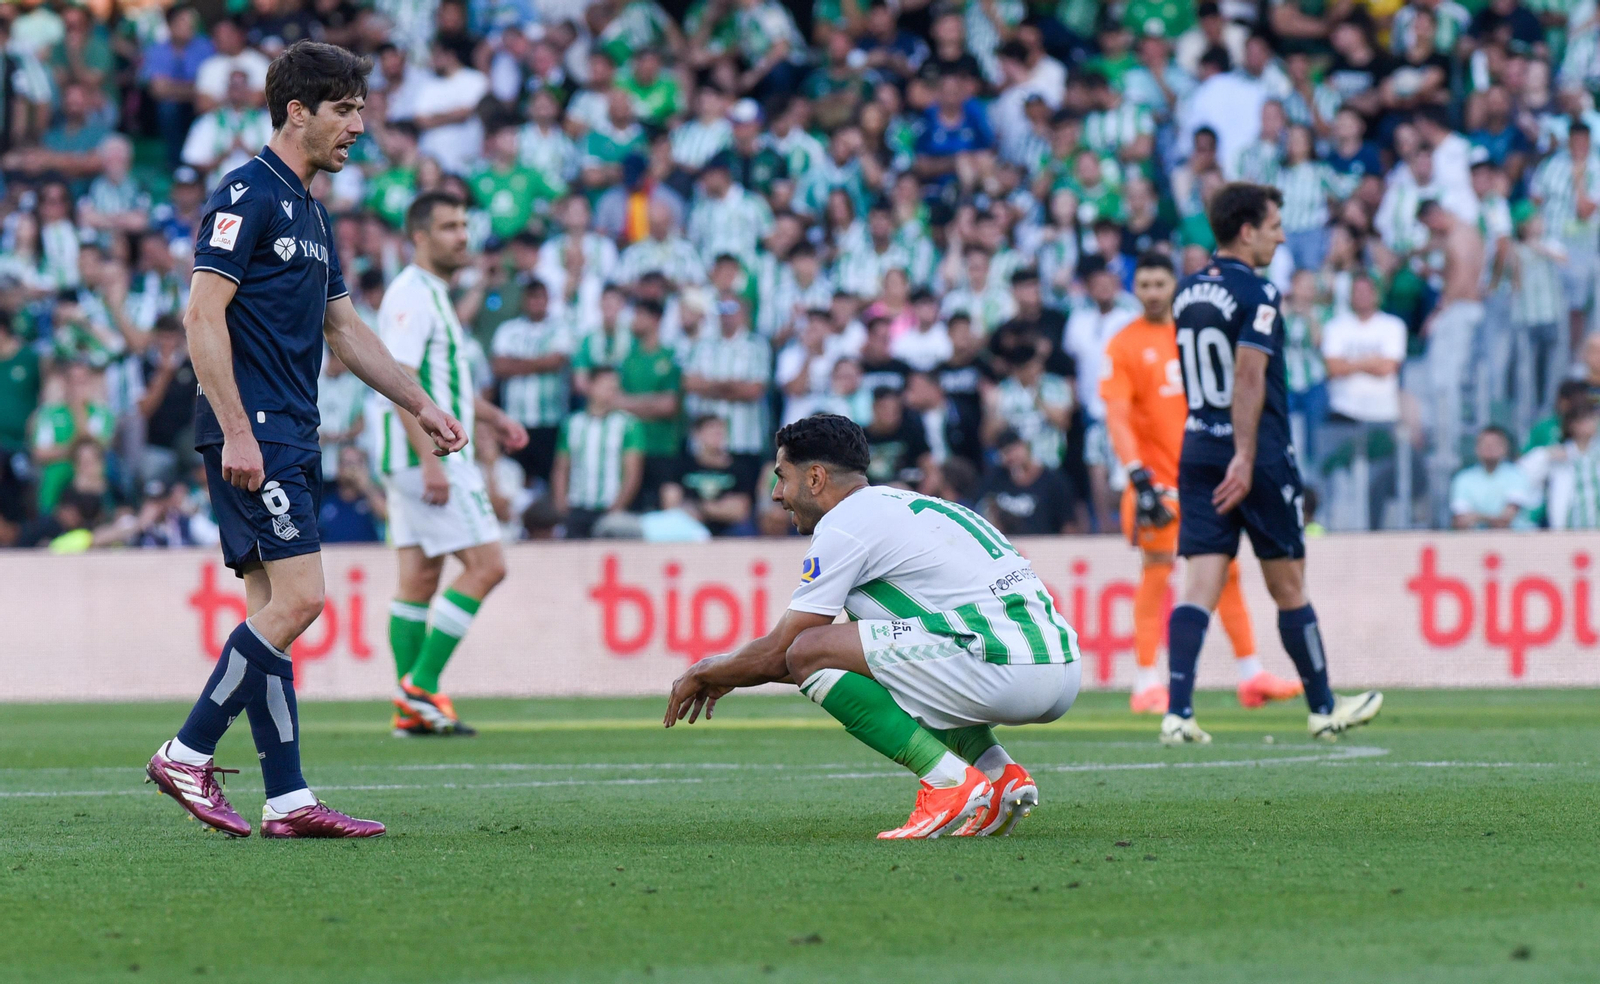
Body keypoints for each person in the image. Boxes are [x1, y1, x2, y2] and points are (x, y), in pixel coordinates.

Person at [146, 41, 469, 840]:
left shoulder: (313, 212)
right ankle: (186, 752)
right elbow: (200, 314)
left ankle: (287, 798)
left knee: (271, 612)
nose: (360, 125)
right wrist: (234, 429)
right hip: (251, 429)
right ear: (298, 110)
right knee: (302, 601)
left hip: (289, 427)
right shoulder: (245, 193)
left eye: (361, 108)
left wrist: (421, 403)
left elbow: (345, 331)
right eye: (347, 109)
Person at [664, 414, 1082, 840]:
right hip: (1060, 667)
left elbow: (787, 653)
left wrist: (707, 670)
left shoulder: (845, 524)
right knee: (867, 652)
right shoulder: (914, 506)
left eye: (781, 477)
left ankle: (947, 781)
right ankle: (1000, 776)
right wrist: (737, 669)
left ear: (814, 478)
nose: (776, 494)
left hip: (1004, 668)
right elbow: (819, 662)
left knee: (811, 648)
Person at [1163, 183, 1382, 746]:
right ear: (1247, 230)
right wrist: (1244, 453)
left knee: (1198, 586)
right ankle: (1323, 709)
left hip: (1196, 446)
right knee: (1288, 585)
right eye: (1275, 225)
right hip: (1252, 453)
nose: (1282, 235)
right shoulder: (1258, 292)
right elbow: (1248, 375)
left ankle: (1179, 714)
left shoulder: (1186, 291)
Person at [1100, 252, 1300, 715]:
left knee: (1227, 570)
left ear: (1174, 285)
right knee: (1156, 572)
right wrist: (1137, 475)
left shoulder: (1194, 330)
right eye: (1144, 284)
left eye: (1159, 283)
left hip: (1204, 473)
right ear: (1135, 289)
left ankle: (1251, 674)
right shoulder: (1124, 344)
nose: (1152, 292)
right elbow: (1118, 416)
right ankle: (1146, 681)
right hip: (1157, 484)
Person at [375, 191, 530, 737]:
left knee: (419, 578)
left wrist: (490, 416)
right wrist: (431, 463)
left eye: (464, 225)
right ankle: (420, 685)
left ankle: (409, 710)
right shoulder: (412, 295)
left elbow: (441, 387)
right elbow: (399, 381)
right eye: (447, 227)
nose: (461, 236)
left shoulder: (434, 294)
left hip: (420, 455)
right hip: (430, 456)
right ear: (419, 236)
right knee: (489, 566)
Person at [553, 367, 645, 538]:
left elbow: (633, 471)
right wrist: (561, 503)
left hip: (610, 508)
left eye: (614, 387)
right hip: (577, 506)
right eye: (605, 386)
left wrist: (618, 507)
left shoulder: (629, 424)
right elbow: (562, 466)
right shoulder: (572, 423)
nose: (611, 392)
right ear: (590, 387)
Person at [1450, 425, 1528, 530]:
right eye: (1485, 444)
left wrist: (1477, 517)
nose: (1490, 448)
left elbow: (1505, 520)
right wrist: (1492, 519)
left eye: (1495, 444)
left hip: (1515, 540)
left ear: (1505, 448)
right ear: (1476, 448)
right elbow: (1461, 521)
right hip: (1474, 541)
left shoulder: (1517, 475)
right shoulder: (1462, 479)